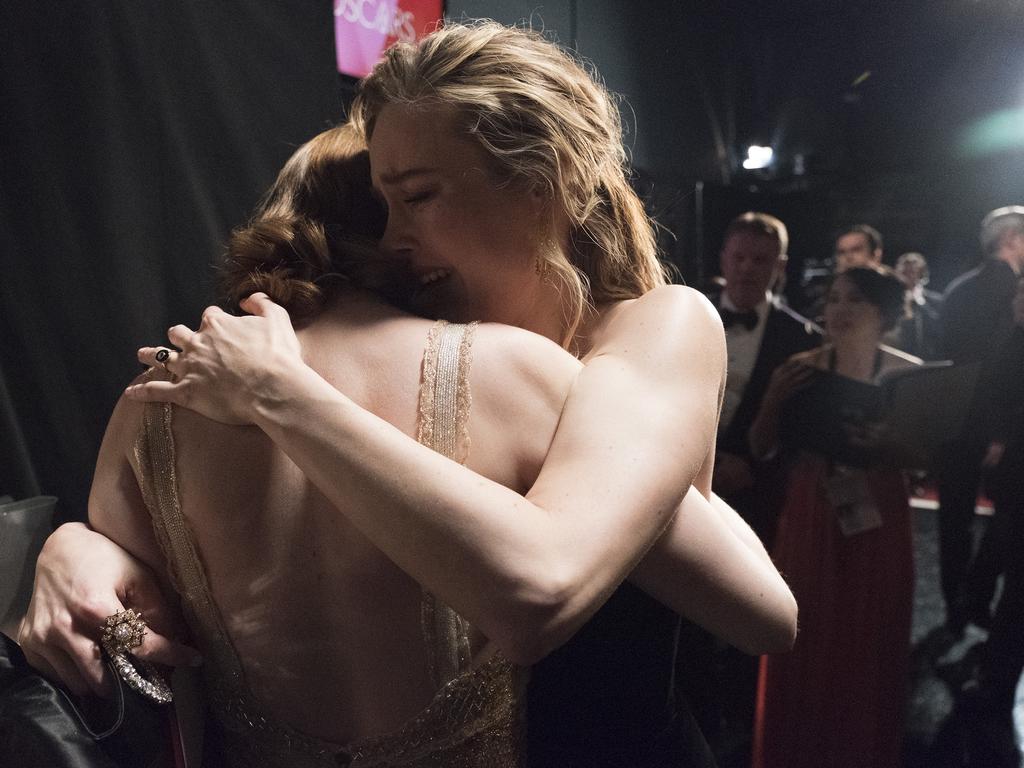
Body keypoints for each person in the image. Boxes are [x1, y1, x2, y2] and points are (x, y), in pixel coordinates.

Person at [19, 21, 797, 768]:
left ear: (544, 183)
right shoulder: (475, 356)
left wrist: (280, 392)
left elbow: (759, 612)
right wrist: (75, 546)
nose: (390, 241)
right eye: (381, 208)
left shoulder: (647, 328)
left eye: (417, 197)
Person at [749, 266, 921, 768]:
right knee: (805, 625)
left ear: (884, 314)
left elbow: (926, 456)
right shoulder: (801, 367)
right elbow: (761, 448)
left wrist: (893, 446)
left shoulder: (907, 373)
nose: (839, 310)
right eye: (834, 299)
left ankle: (859, 749)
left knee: (871, 628)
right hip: (813, 502)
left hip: (880, 506)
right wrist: (774, 399)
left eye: (855, 301)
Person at [685, 212, 816, 765]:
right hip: (683, 491)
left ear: (779, 268)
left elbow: (800, 436)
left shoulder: (802, 338)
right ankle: (691, 708)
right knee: (686, 605)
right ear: (721, 258)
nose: (745, 269)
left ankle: (744, 719)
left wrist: (754, 461)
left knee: (749, 604)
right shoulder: (681, 314)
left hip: (760, 497)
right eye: (737, 257)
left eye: (759, 261)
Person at [934, 205, 1024, 639]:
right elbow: (1001, 371)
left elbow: (948, 362)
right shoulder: (1012, 290)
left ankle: (957, 607)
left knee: (955, 522)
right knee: (1004, 520)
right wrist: (1000, 432)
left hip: (952, 423)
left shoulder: (957, 289)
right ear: (1011, 239)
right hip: (996, 430)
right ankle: (977, 602)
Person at [893, 251, 942, 359]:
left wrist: (920, 302)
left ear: (921, 274)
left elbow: (939, 328)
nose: (906, 277)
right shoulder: (890, 300)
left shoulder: (936, 300)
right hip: (896, 356)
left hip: (926, 359)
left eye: (911, 272)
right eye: (903, 272)